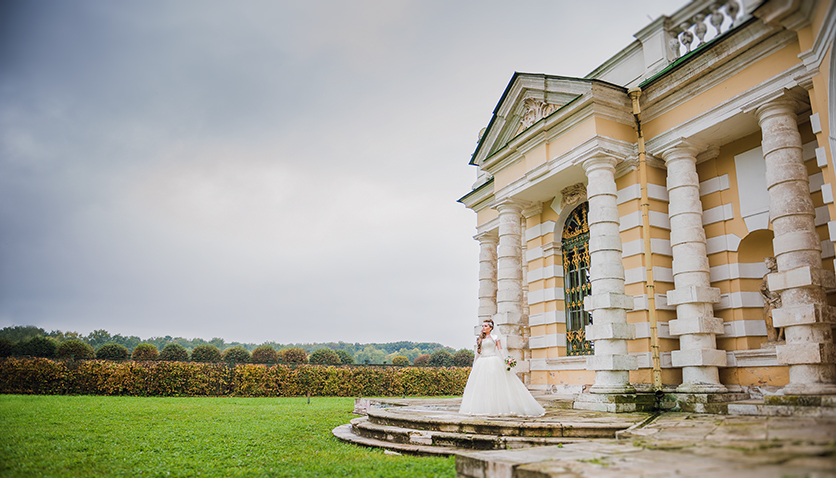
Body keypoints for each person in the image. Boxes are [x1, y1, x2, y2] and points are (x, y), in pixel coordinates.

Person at [458, 319, 545, 417]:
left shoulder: (495, 337)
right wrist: (475, 364)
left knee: (495, 384)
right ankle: (483, 407)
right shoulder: (480, 338)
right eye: (483, 326)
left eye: (485, 326)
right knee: (482, 384)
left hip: (493, 361)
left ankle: (498, 407)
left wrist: (506, 360)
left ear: (491, 328)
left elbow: (501, 350)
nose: (483, 328)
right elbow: (478, 352)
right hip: (482, 362)